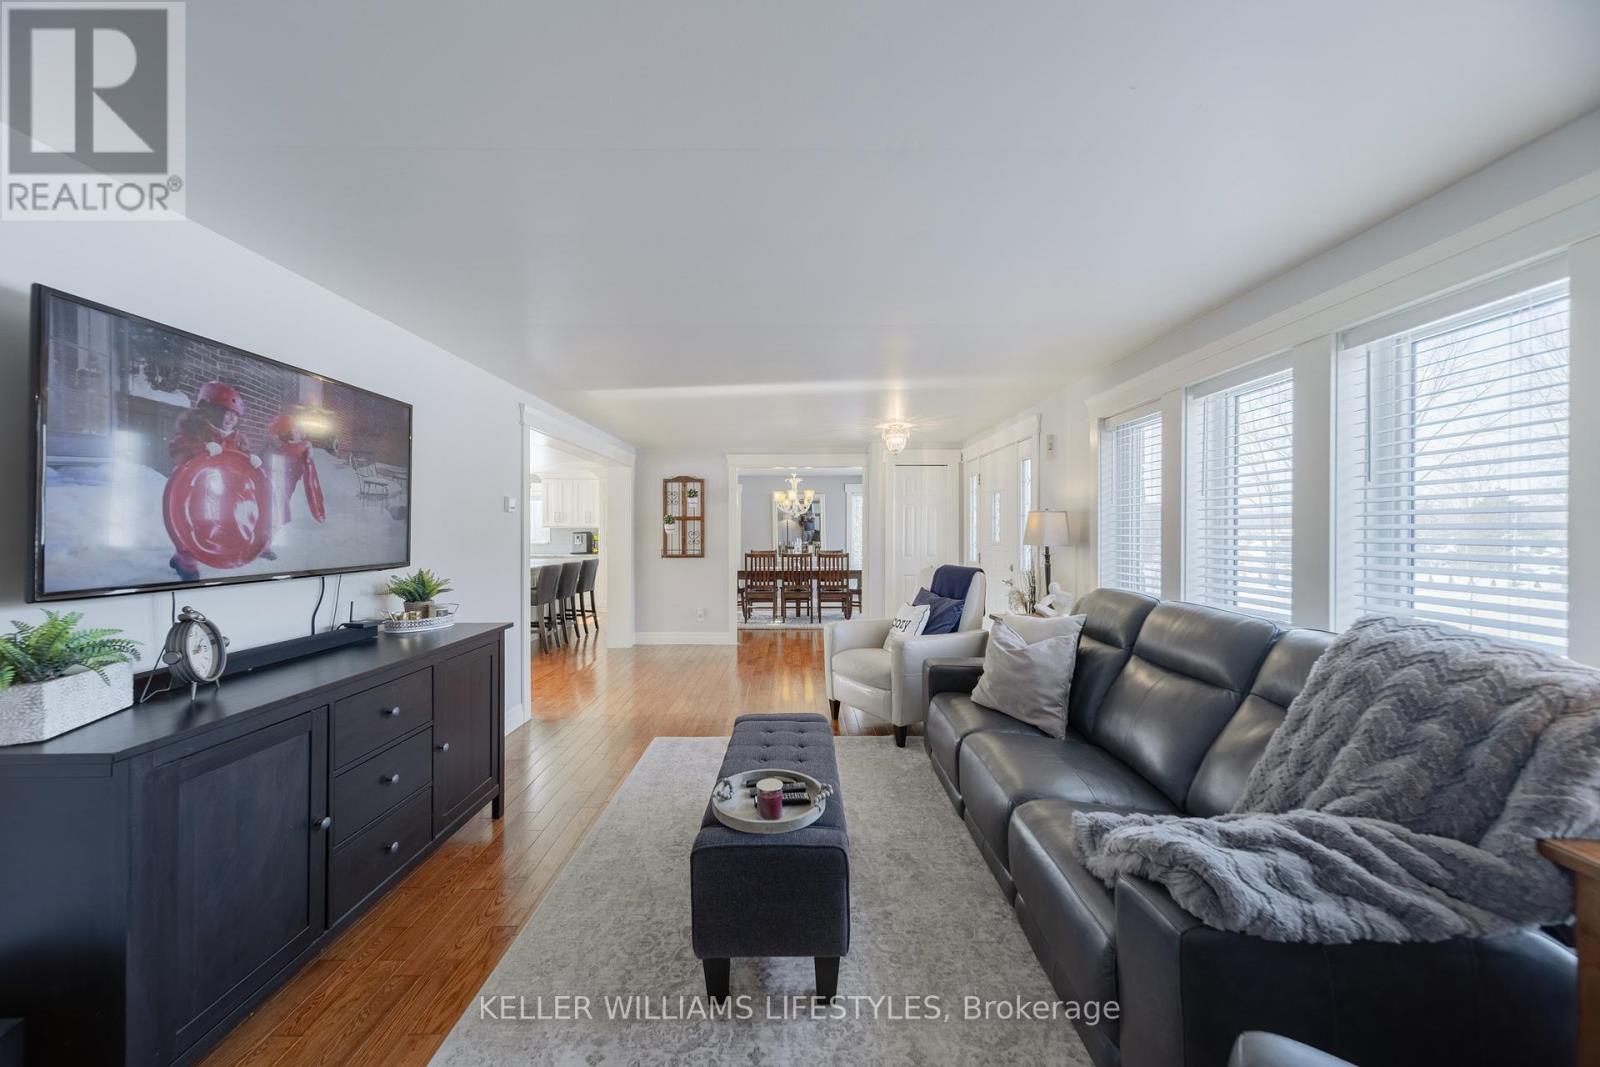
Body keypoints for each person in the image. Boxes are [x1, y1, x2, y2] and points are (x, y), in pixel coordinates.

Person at [166, 381, 267, 580]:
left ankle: (215, 547)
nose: (231, 419)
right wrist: (201, 448)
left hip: (222, 490)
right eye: (227, 412)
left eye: (235, 415)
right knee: (192, 522)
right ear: (211, 410)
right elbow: (176, 448)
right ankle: (184, 559)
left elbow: (240, 457)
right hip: (195, 488)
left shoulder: (237, 438)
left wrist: (251, 461)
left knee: (218, 521)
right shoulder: (194, 429)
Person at [264, 413, 326, 537]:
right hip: (271, 492)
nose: (299, 433)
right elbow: (292, 449)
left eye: (298, 430)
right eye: (295, 430)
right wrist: (306, 445)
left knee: (275, 517)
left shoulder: (293, 450)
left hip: (279, 494)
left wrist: (306, 448)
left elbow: (311, 483)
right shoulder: (283, 449)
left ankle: (268, 539)